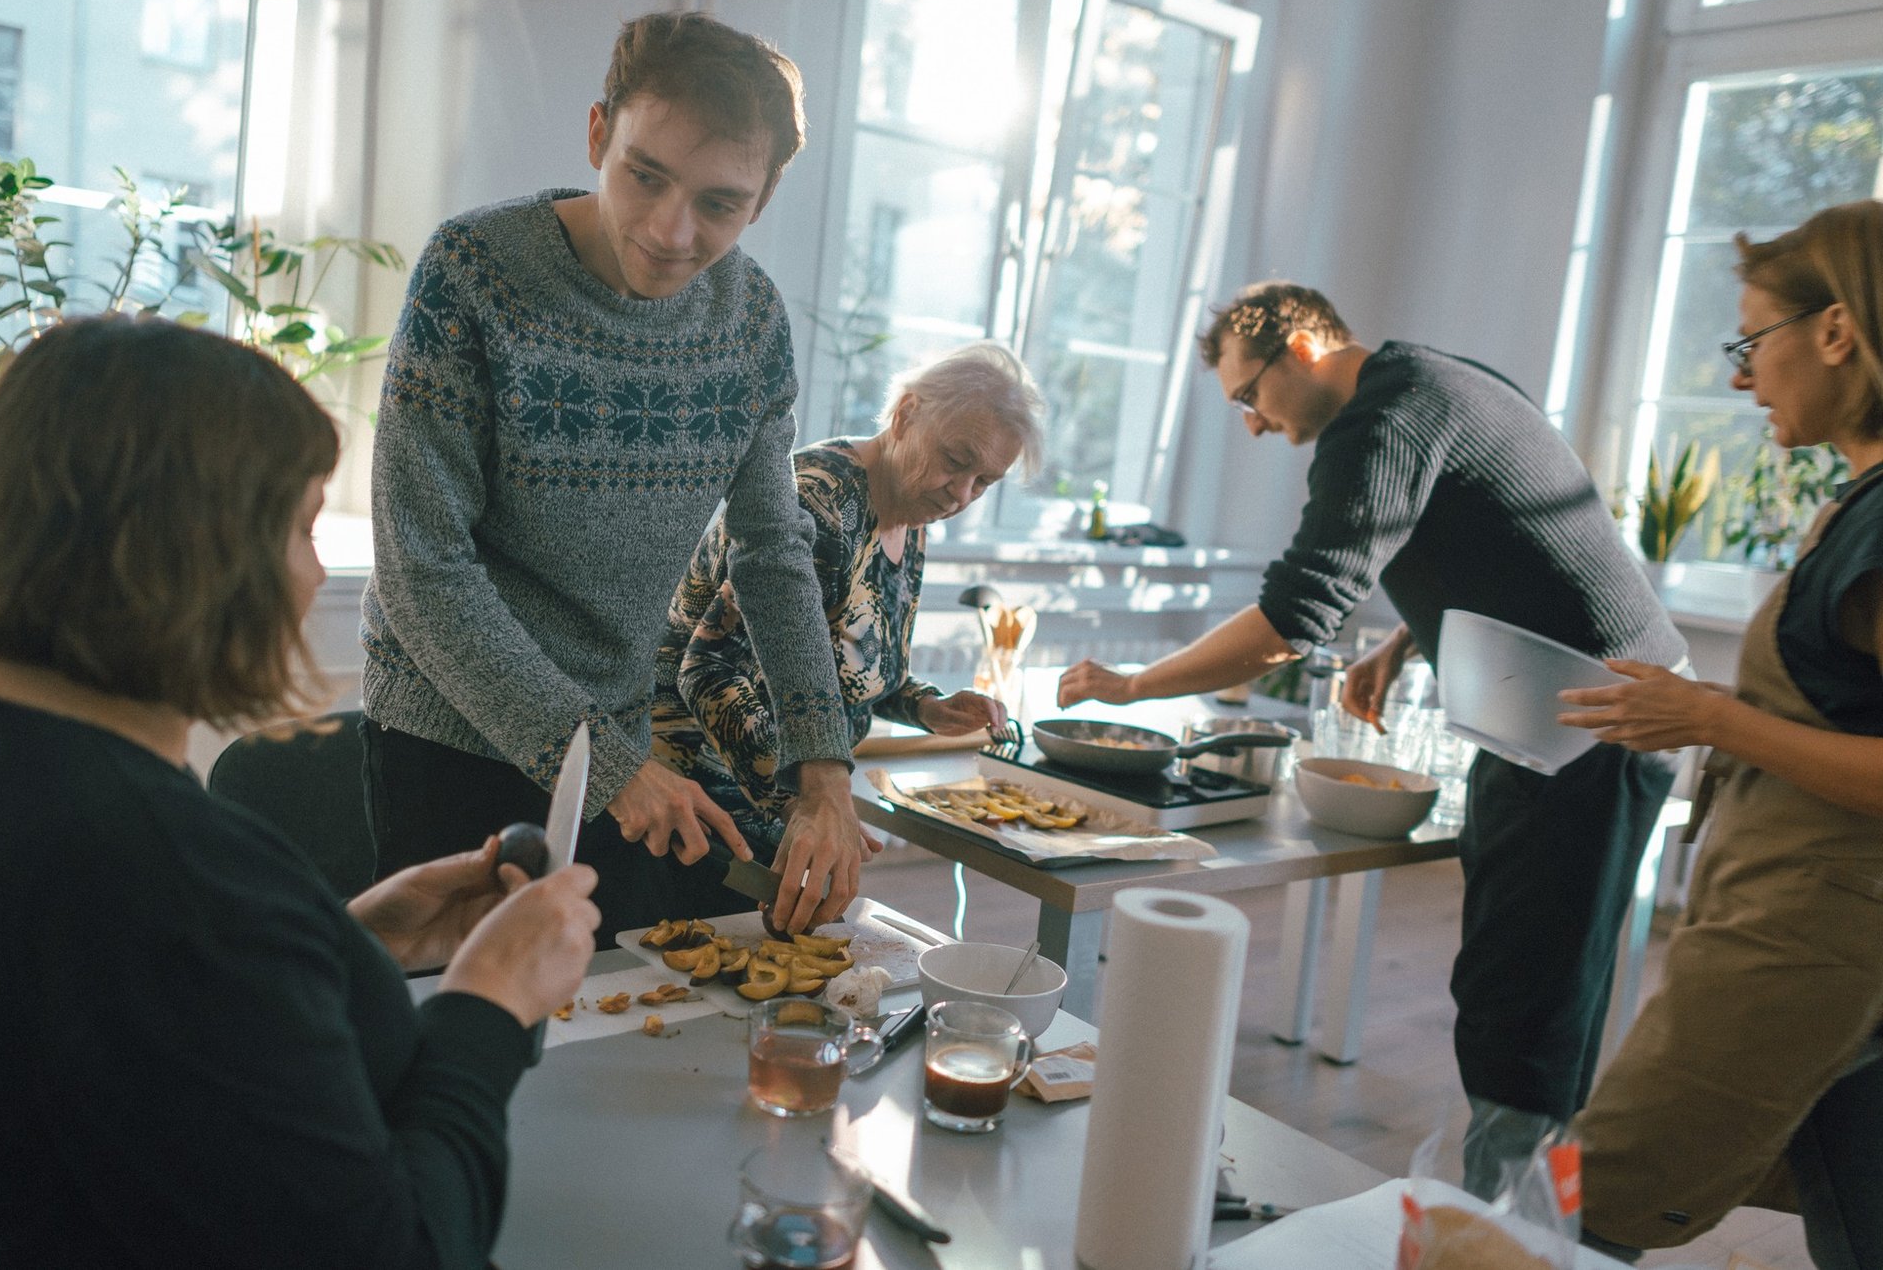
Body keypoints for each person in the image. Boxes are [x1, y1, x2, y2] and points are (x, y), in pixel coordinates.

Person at [0, 316, 600, 1268]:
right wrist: (489, 1003)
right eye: (304, 527)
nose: (314, 570)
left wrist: (345, 943)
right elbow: (401, 1248)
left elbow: (124, 1044)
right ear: (191, 549)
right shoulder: (151, 872)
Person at [1056, 282, 1688, 1194]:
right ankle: (1523, 1221)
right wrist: (1406, 638)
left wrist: (1134, 684)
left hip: (1593, 723)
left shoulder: (1378, 420)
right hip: (1583, 713)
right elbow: (1502, 528)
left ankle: (1508, 1234)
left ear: (1304, 345)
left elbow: (1295, 613)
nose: (1252, 423)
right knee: (1524, 997)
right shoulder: (1433, 381)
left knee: (1525, 1013)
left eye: (1248, 395)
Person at [361, 11, 863, 940]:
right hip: (447, 732)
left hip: (621, 744)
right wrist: (599, 758)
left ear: (765, 197)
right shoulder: (472, 272)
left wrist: (822, 772)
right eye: (646, 176)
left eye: (720, 202)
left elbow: (772, 551)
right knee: (458, 1037)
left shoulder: (751, 320)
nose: (674, 231)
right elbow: (420, 565)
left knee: (606, 1021)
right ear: (599, 134)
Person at [1567, 201, 1883, 1269]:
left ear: (1835, 330)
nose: (1742, 377)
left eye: (1753, 341)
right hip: (1808, 923)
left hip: (1802, 936)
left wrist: (1705, 714)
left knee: (1590, 1195)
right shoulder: (1858, 503)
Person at [652, 341, 1045, 857]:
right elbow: (709, 673)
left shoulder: (911, 508)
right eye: (956, 461)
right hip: (696, 803)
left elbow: (850, 668)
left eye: (985, 483)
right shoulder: (820, 501)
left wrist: (926, 706)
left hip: (777, 802)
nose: (962, 494)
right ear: (906, 415)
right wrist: (810, 802)